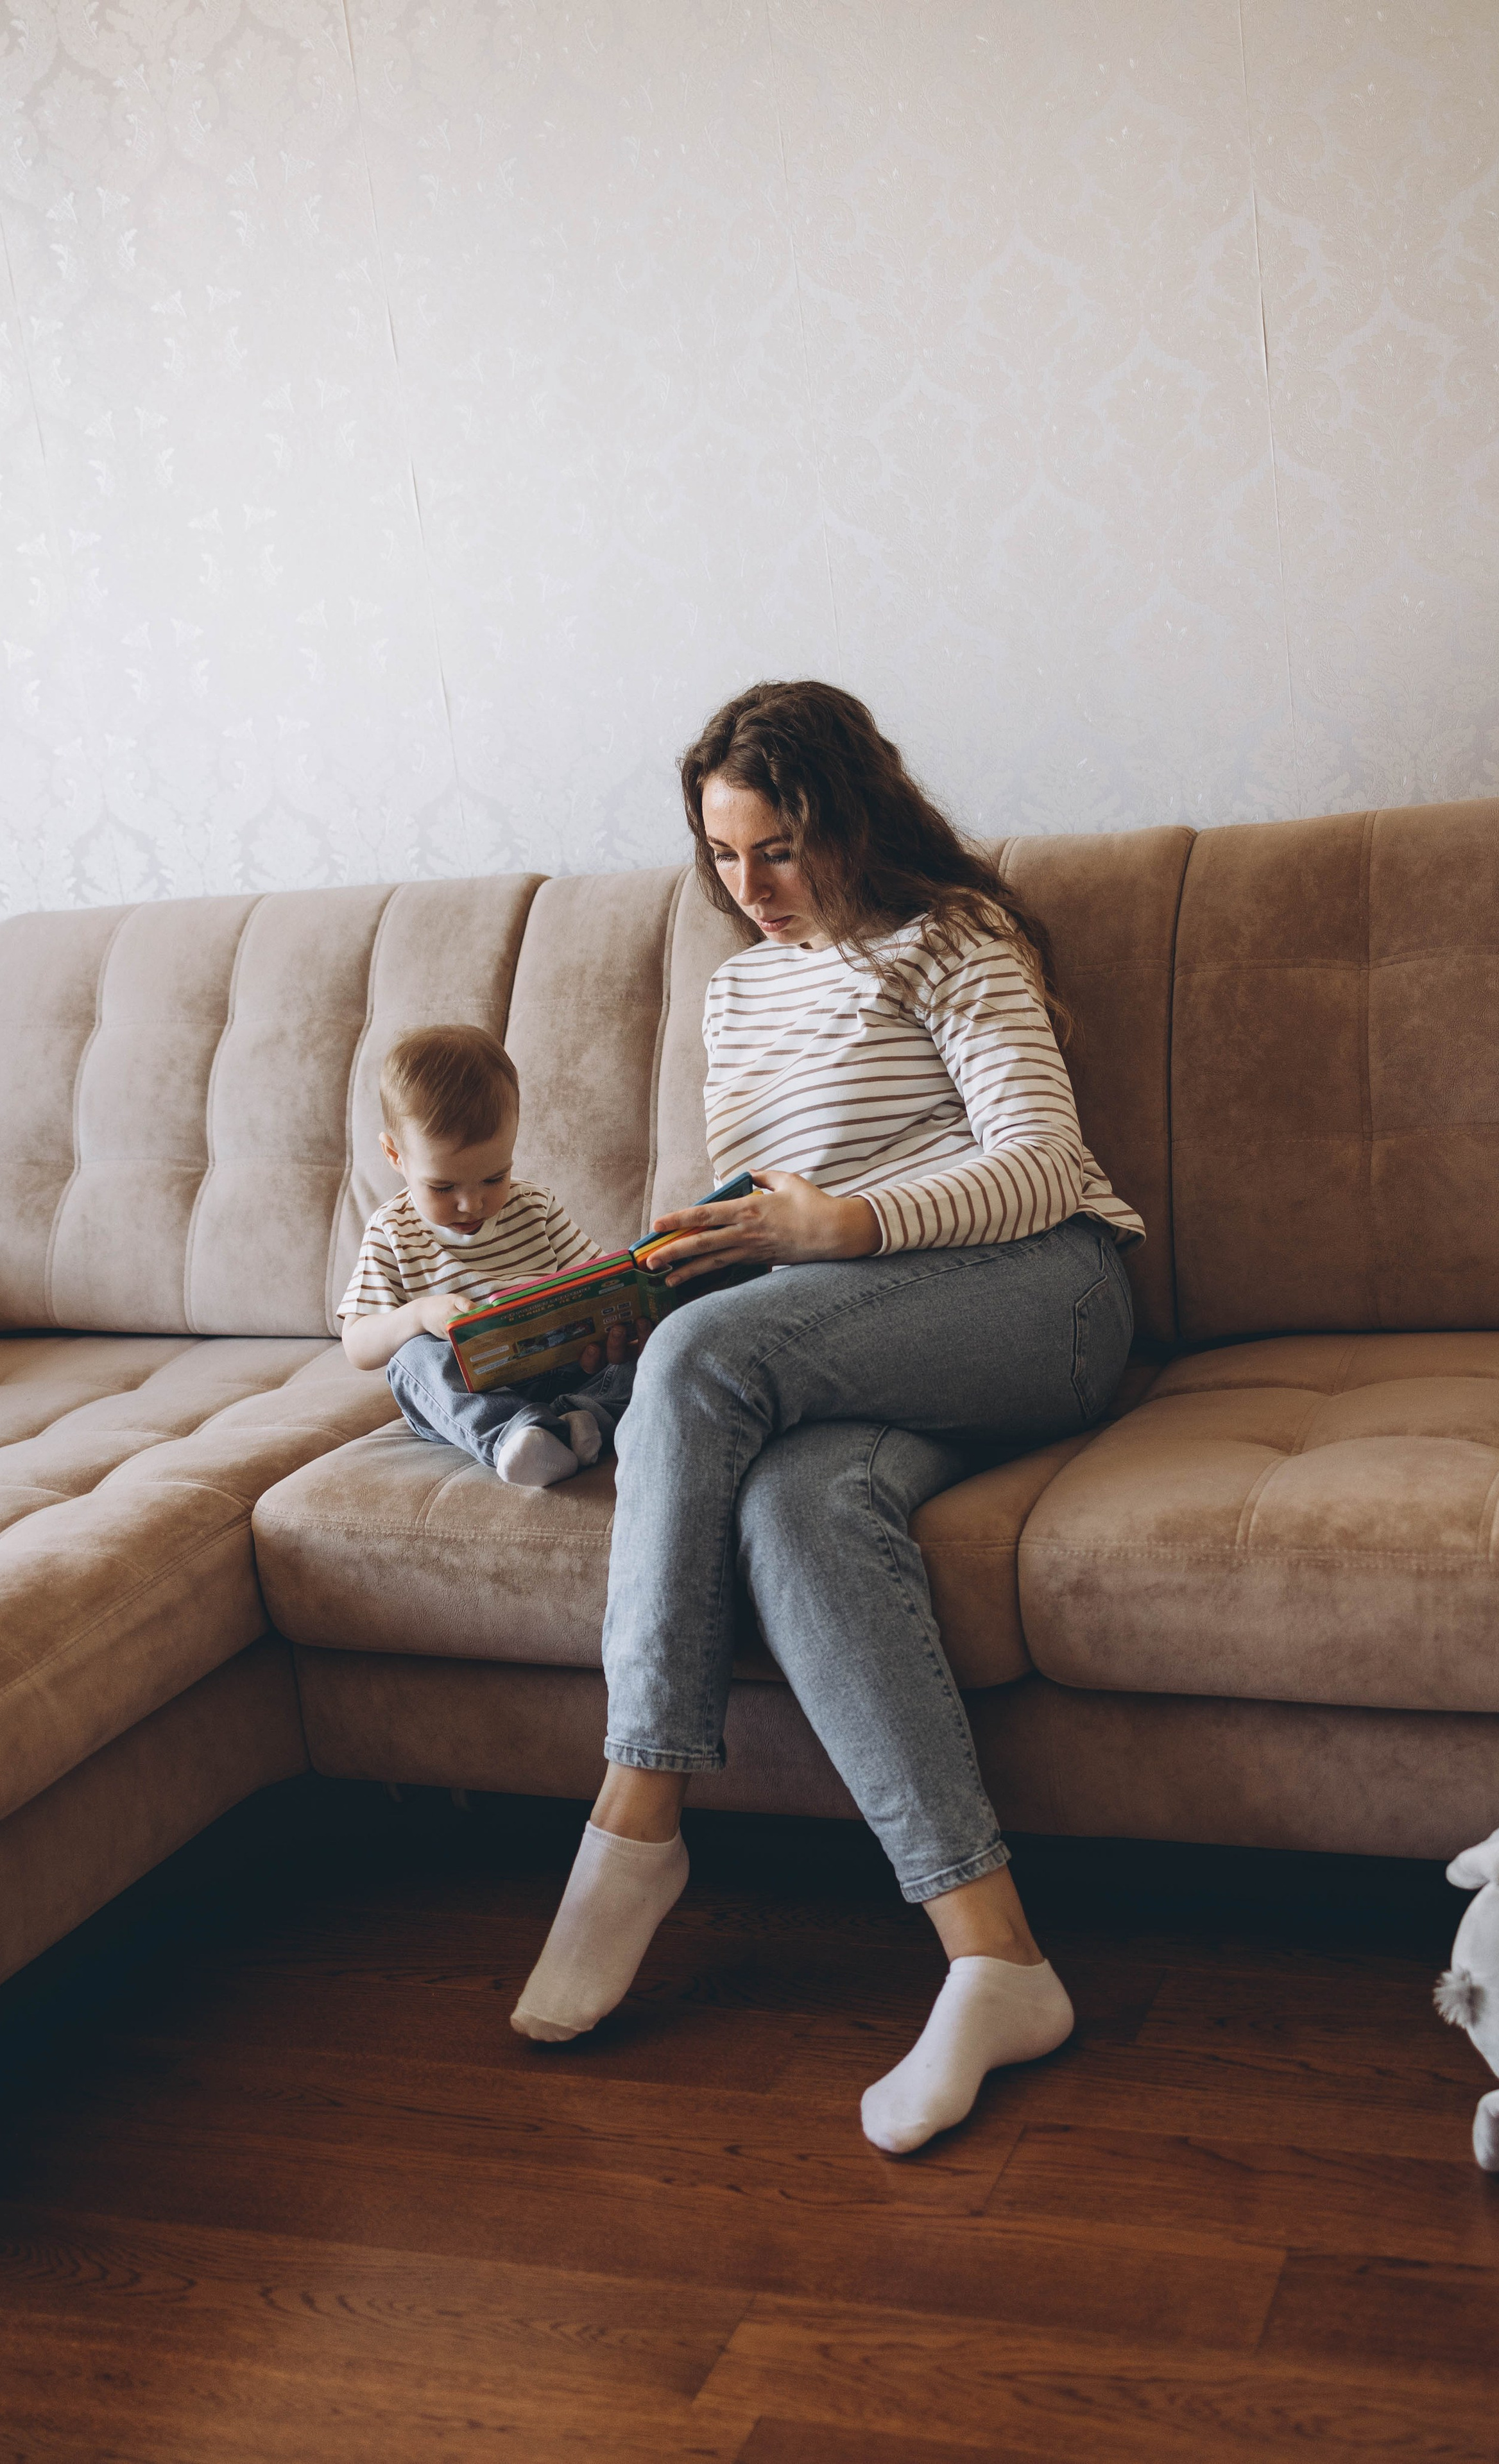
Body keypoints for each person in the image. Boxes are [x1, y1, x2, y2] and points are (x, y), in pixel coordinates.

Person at [511, 681, 1142, 2155]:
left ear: (851, 820)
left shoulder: (953, 938)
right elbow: (766, 1206)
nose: (754, 890)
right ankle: (996, 1958)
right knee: (794, 1502)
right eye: (725, 858)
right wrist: (682, 1256)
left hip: (1033, 1295)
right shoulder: (738, 987)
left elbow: (1042, 1166)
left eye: (781, 850)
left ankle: (636, 1815)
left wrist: (834, 1226)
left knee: (699, 1372)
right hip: (862, 1333)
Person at [339, 1024, 644, 1484]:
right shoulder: (393, 1230)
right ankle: (516, 1438)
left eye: (494, 1177)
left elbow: (598, 1281)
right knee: (411, 1360)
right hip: (467, 1392)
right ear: (395, 1155)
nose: (472, 1203)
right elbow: (358, 1345)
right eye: (443, 1186)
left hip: (561, 1371)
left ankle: (580, 1420)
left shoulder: (535, 1207)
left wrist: (580, 1305)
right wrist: (418, 1315)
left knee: (650, 1351)